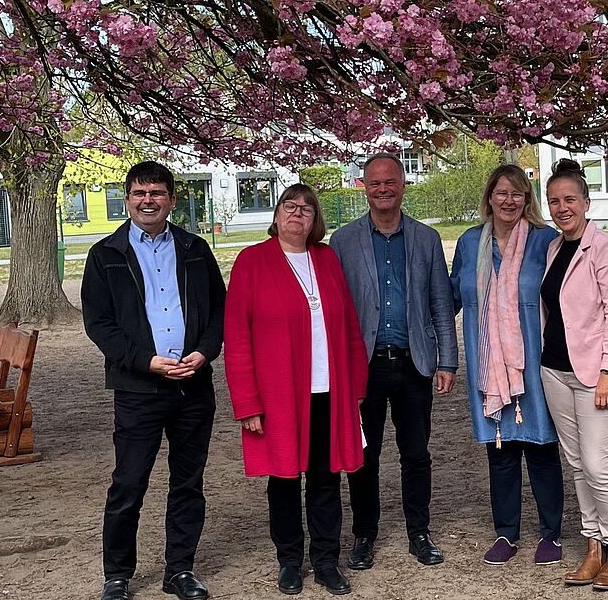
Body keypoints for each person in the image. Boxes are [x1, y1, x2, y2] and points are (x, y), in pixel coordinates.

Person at [82, 161, 225, 600]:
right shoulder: (105, 254)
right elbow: (99, 324)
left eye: (157, 193)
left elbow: (220, 311)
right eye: (140, 193)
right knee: (129, 482)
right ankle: (118, 576)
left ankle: (179, 570)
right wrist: (146, 362)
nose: (149, 200)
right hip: (139, 388)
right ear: (127, 199)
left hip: (193, 386)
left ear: (172, 200)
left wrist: (203, 352)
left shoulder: (196, 249)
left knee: (188, 482)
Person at [223, 184, 369, 596]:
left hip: (329, 390)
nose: (298, 214)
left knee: (326, 480)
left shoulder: (326, 259)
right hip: (279, 396)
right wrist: (247, 402)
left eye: (307, 208)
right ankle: (289, 560)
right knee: (284, 480)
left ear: (314, 218)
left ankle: (325, 561)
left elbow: (350, 326)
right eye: (290, 206)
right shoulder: (252, 262)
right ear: (277, 213)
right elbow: (236, 338)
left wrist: (356, 386)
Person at [328, 153, 459, 570]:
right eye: (375, 182)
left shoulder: (425, 238)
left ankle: (418, 532)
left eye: (391, 181)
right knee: (363, 455)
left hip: (413, 363)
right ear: (363, 186)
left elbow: (440, 302)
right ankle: (364, 534)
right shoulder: (343, 241)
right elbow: (337, 310)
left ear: (403, 185)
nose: (383, 189)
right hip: (362, 366)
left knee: (416, 453)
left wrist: (448, 361)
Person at [450, 164, 566, 567]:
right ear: (489, 197)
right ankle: (507, 532)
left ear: (527, 199)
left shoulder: (545, 241)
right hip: (487, 362)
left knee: (541, 445)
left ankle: (551, 533)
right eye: (502, 192)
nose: (509, 200)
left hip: (535, 361)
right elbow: (452, 298)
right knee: (500, 450)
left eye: (518, 194)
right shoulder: (468, 244)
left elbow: (566, 300)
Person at [540, 158, 608, 590]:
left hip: (599, 373)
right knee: (578, 464)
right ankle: (593, 545)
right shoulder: (555, 247)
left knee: (599, 464)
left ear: (586, 201)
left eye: (570, 199)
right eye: (554, 200)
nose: (562, 207)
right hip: (555, 370)